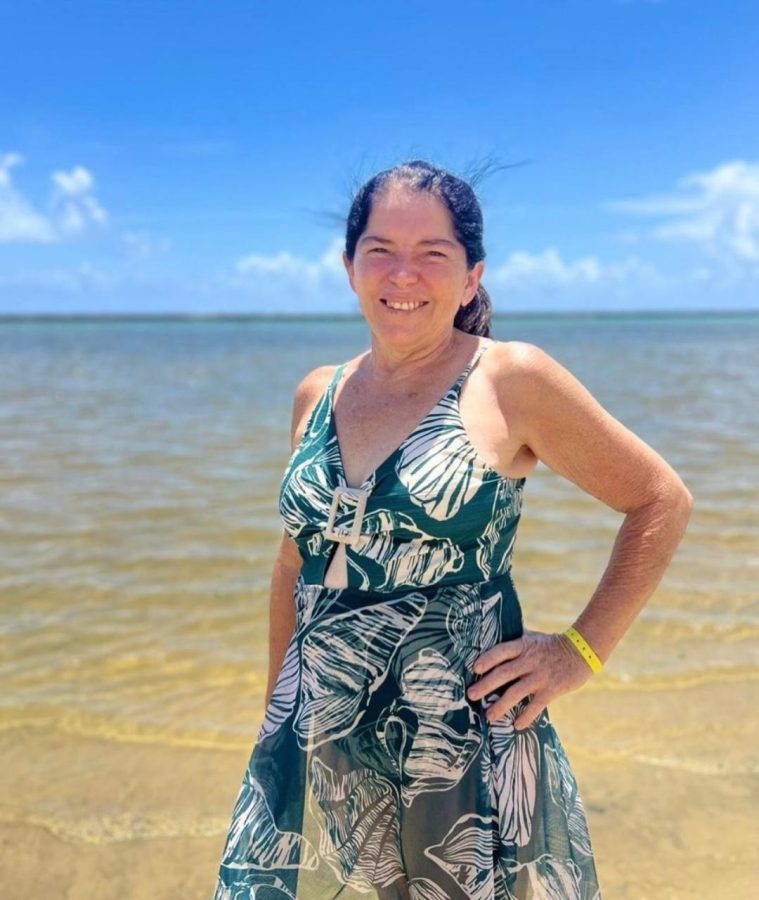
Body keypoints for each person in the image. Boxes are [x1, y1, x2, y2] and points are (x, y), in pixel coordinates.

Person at [212, 160, 693, 900]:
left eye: (431, 253)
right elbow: (294, 565)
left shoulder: (509, 380)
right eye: (380, 249)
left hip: (460, 739)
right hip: (332, 733)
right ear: (349, 268)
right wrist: (280, 715)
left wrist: (579, 652)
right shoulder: (318, 392)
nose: (402, 274)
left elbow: (659, 500)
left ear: (471, 277)